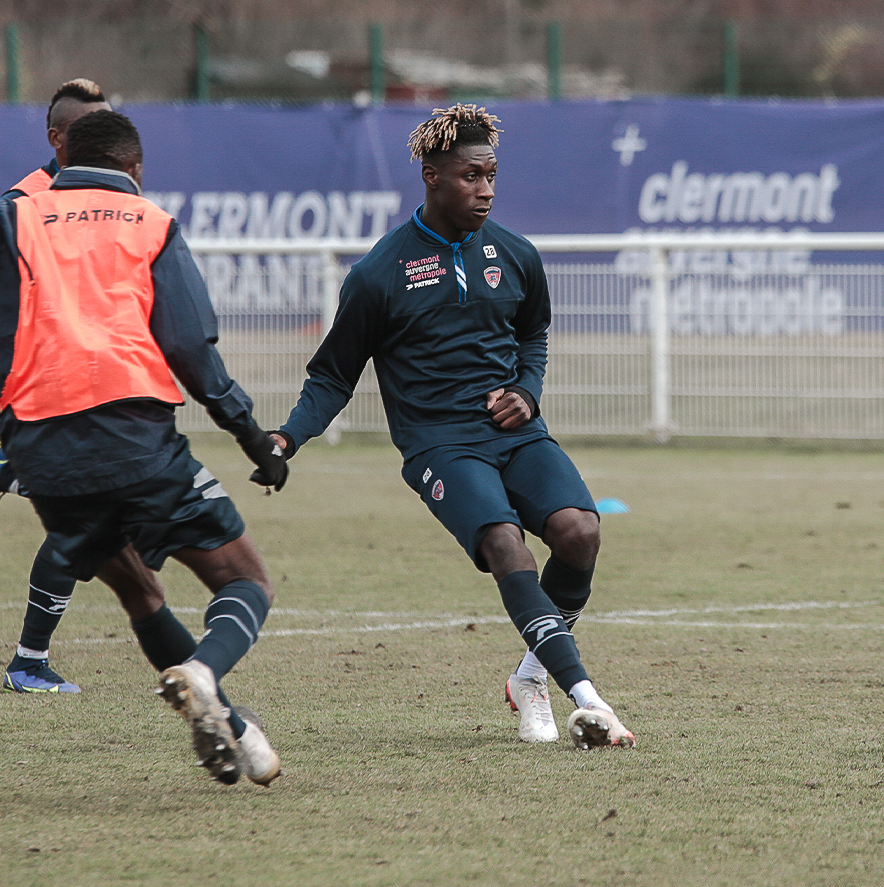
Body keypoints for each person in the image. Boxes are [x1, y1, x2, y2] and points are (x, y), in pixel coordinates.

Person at [0, 110, 291, 786]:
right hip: (136, 439)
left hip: (43, 456)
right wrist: (255, 440)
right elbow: (191, 350)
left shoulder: (14, 214)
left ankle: (234, 729)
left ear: (63, 162)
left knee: (141, 593)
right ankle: (204, 672)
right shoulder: (149, 223)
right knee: (245, 580)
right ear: (134, 168)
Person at [271, 103, 635, 750]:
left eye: (491, 175)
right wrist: (286, 437)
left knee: (580, 531)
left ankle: (529, 678)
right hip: (440, 443)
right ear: (432, 177)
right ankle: (587, 698)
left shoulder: (515, 254)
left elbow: (533, 336)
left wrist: (526, 391)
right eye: (471, 176)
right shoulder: (379, 274)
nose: (486, 189)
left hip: (515, 434)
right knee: (505, 543)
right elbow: (332, 375)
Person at [0, 79, 164, 697]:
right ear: (58, 139)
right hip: (58, 387)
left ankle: (30, 659)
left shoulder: (109, 195)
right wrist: (9, 360)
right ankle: (30, 660)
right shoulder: (24, 201)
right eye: (91, 129)